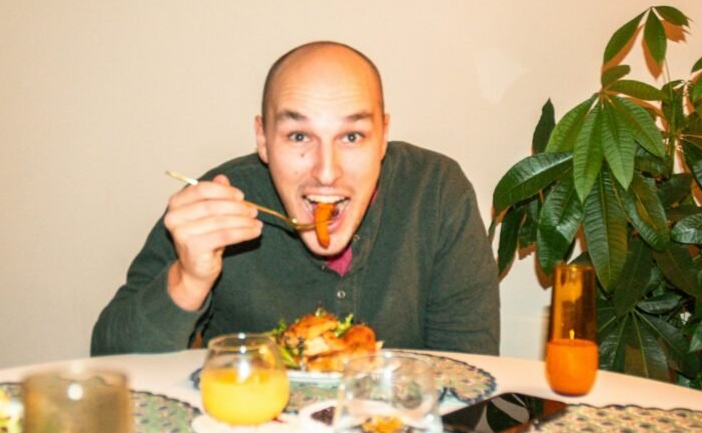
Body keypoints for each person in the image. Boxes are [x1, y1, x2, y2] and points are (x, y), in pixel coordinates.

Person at [91, 42, 499, 355]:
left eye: (352, 136)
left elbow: (468, 371)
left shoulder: (436, 191)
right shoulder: (216, 204)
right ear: (263, 140)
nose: (325, 171)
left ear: (383, 136)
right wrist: (189, 278)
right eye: (299, 136)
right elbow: (111, 362)